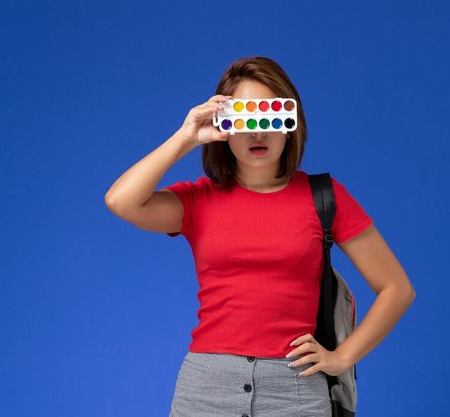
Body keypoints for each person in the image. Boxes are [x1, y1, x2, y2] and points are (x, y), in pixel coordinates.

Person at [104, 56, 416, 417]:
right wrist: (185, 137)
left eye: (269, 116)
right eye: (243, 118)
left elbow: (397, 288)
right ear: (223, 125)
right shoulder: (198, 200)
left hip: (296, 389)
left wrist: (342, 357)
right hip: (206, 388)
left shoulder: (325, 197)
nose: (257, 133)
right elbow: (120, 200)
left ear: (290, 123)